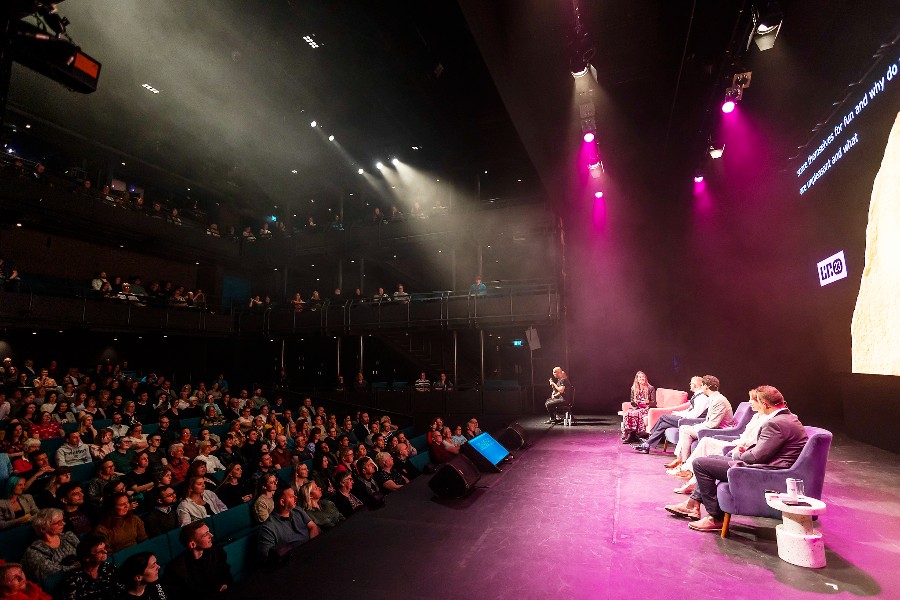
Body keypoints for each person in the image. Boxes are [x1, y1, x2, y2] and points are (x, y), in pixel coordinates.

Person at [665, 385, 808, 532]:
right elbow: (765, 450)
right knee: (712, 458)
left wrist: (737, 455)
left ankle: (715, 518)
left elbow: (756, 457)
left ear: (765, 404)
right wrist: (745, 451)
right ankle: (693, 504)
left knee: (700, 464)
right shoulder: (787, 418)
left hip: (766, 471)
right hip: (768, 466)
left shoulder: (776, 423)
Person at [670, 388, 769, 495]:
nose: (750, 402)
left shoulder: (767, 421)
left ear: (761, 402)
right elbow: (743, 435)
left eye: (752, 400)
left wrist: (739, 444)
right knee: (705, 441)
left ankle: (688, 474)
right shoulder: (756, 416)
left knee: (703, 443)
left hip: (741, 447)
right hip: (737, 442)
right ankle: (687, 472)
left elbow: (753, 442)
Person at [665, 375, 733, 464]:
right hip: (713, 427)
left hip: (720, 430)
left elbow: (713, 424)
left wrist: (696, 427)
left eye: (702, 385)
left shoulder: (719, 400)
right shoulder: (713, 398)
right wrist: (696, 426)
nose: (701, 387)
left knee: (686, 431)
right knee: (683, 427)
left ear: (707, 386)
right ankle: (679, 459)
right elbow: (709, 421)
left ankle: (684, 462)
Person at [633, 376, 708, 452]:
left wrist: (680, 415)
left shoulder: (702, 398)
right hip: (687, 418)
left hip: (691, 422)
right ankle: (647, 445)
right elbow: (689, 410)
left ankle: (649, 438)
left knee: (663, 417)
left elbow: (694, 415)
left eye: (691, 383)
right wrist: (678, 413)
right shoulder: (697, 396)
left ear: (695, 385)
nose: (690, 385)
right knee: (664, 424)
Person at [163, 521, 232, 598]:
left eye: (209, 532)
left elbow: (226, 574)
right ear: (192, 544)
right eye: (205, 534)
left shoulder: (217, 552)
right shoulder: (176, 569)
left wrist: (225, 584)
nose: (211, 535)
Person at [257, 487, 319, 560]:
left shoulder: (298, 510)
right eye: (292, 497)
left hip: (312, 553)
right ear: (282, 502)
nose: (296, 498)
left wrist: (311, 546)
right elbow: (267, 558)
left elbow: (313, 526)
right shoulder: (268, 528)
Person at [21, 509, 80, 583]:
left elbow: (84, 552)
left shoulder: (68, 536)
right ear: (43, 529)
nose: (63, 523)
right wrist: (76, 567)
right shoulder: (34, 551)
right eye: (58, 522)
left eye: (62, 520)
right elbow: (50, 572)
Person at [58, 533, 116, 600]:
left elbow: (121, 589)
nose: (105, 551)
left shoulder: (108, 567)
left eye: (105, 548)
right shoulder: (74, 581)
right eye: (100, 551)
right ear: (86, 557)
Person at [621, 370, 656, 442]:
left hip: (647, 408)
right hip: (637, 407)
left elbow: (654, 403)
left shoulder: (651, 388)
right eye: (640, 377)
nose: (642, 378)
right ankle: (630, 434)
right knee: (628, 413)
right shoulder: (633, 388)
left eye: (643, 377)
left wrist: (648, 402)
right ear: (637, 379)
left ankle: (637, 434)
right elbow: (632, 403)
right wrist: (635, 402)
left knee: (636, 413)